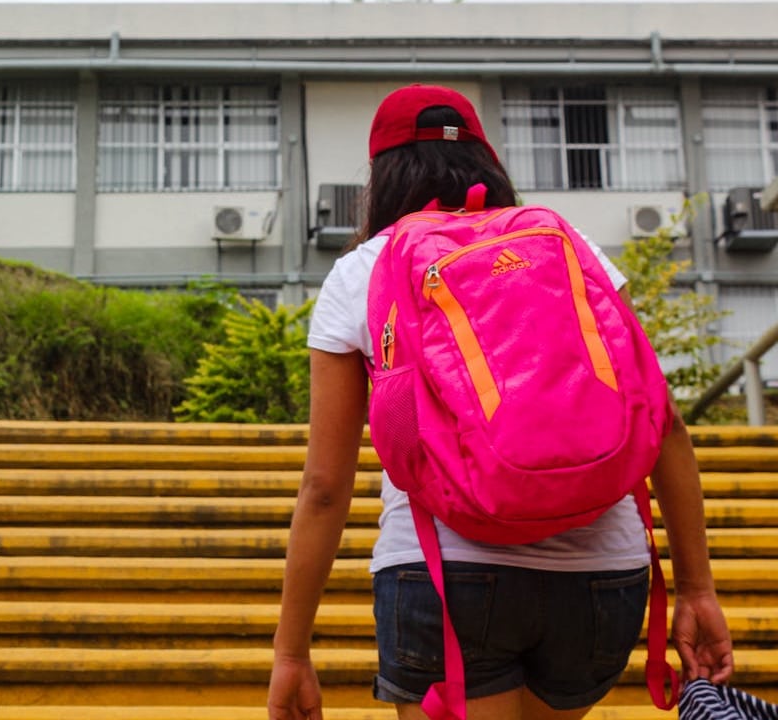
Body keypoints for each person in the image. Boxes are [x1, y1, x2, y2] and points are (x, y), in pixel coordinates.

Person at [267, 85, 734, 720]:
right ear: (485, 160)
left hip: (445, 574)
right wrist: (698, 589)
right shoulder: (564, 245)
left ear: (381, 174)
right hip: (602, 575)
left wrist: (291, 653)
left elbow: (325, 486)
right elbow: (664, 421)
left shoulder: (363, 270)